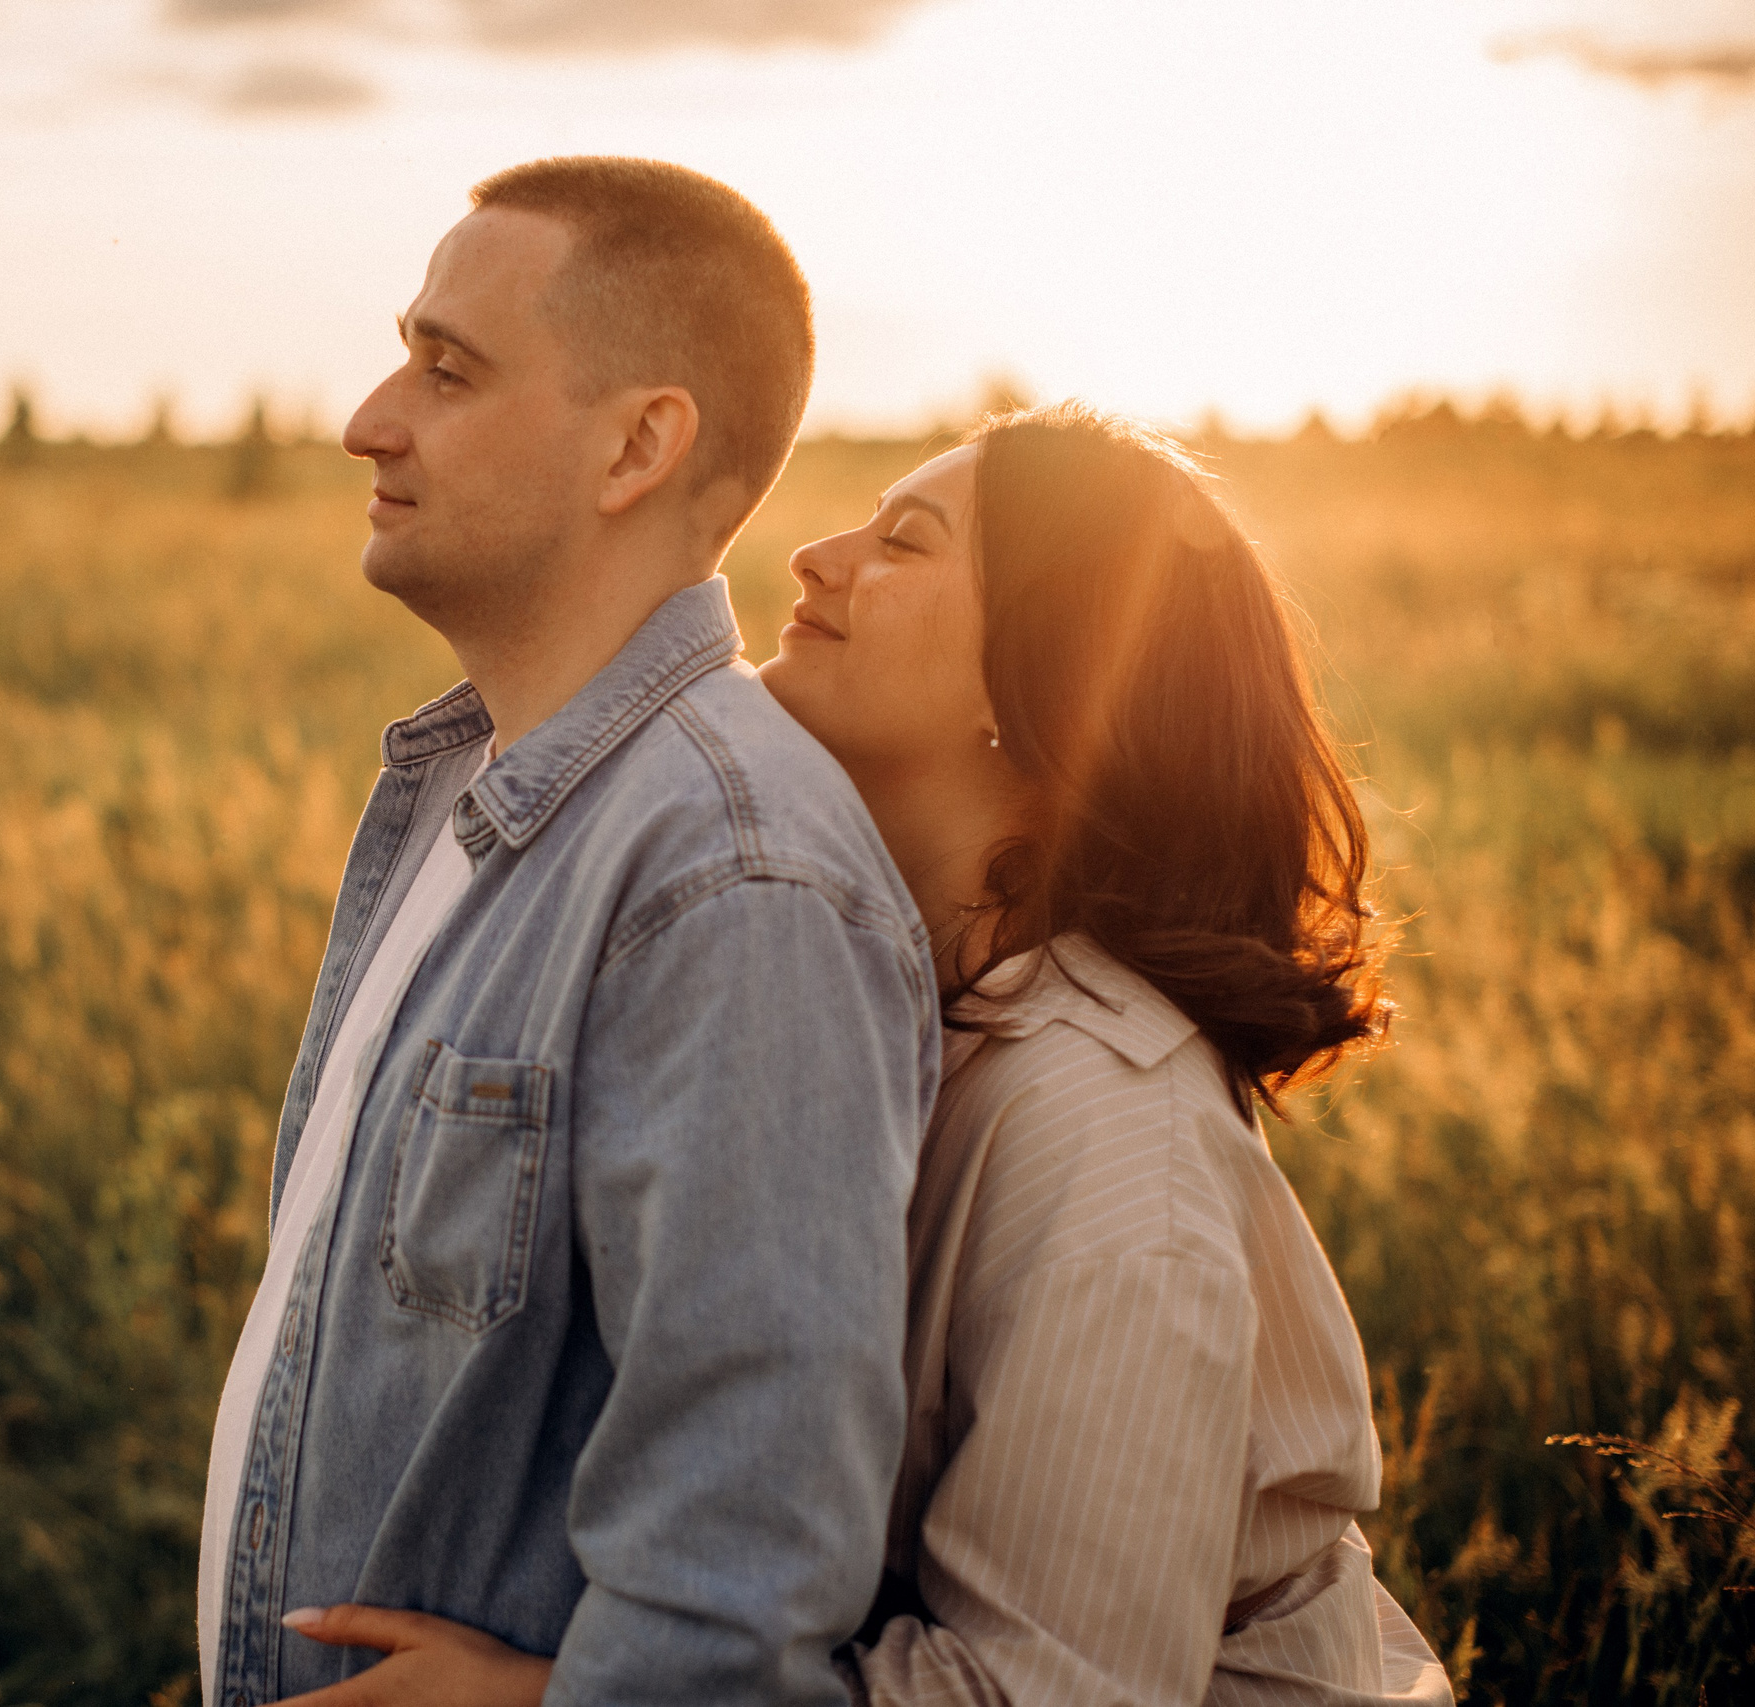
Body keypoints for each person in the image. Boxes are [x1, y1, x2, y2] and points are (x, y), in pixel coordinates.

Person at [272, 405, 1455, 1705]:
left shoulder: (1115, 1152)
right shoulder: (886, 989)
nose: (815, 557)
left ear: (1038, 681)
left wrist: (555, 1698)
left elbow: (1056, 1692)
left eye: (907, 542)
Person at [195, 159, 942, 1707]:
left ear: (638, 446)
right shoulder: (469, 789)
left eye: (447, 369)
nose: (370, 419)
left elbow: (738, 1566)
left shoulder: (733, 883)